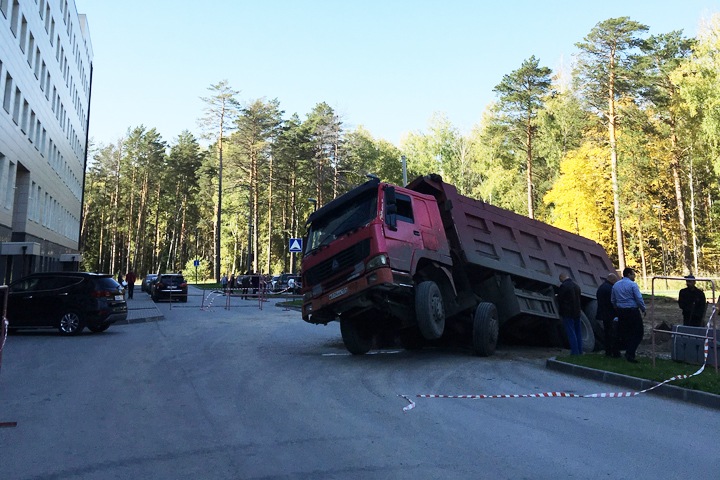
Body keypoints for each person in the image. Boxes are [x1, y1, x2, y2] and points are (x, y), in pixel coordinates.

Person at [611, 267, 646, 363]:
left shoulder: (616, 285)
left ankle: (615, 351)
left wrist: (617, 308)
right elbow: (638, 299)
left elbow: (613, 300)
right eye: (633, 274)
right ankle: (630, 353)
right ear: (629, 275)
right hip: (632, 311)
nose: (634, 276)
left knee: (622, 331)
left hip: (621, 311)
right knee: (638, 333)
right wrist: (643, 309)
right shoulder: (632, 285)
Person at [558, 272, 583, 355]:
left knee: (571, 332)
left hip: (568, 313)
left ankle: (574, 352)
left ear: (562, 278)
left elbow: (560, 299)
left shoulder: (564, 286)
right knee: (578, 332)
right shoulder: (576, 286)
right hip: (577, 312)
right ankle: (580, 351)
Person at [596, 272, 619, 357]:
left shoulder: (601, 287)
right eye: (615, 281)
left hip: (603, 314)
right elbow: (613, 302)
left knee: (607, 333)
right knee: (613, 334)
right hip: (611, 315)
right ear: (612, 280)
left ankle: (608, 351)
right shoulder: (611, 288)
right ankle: (615, 352)